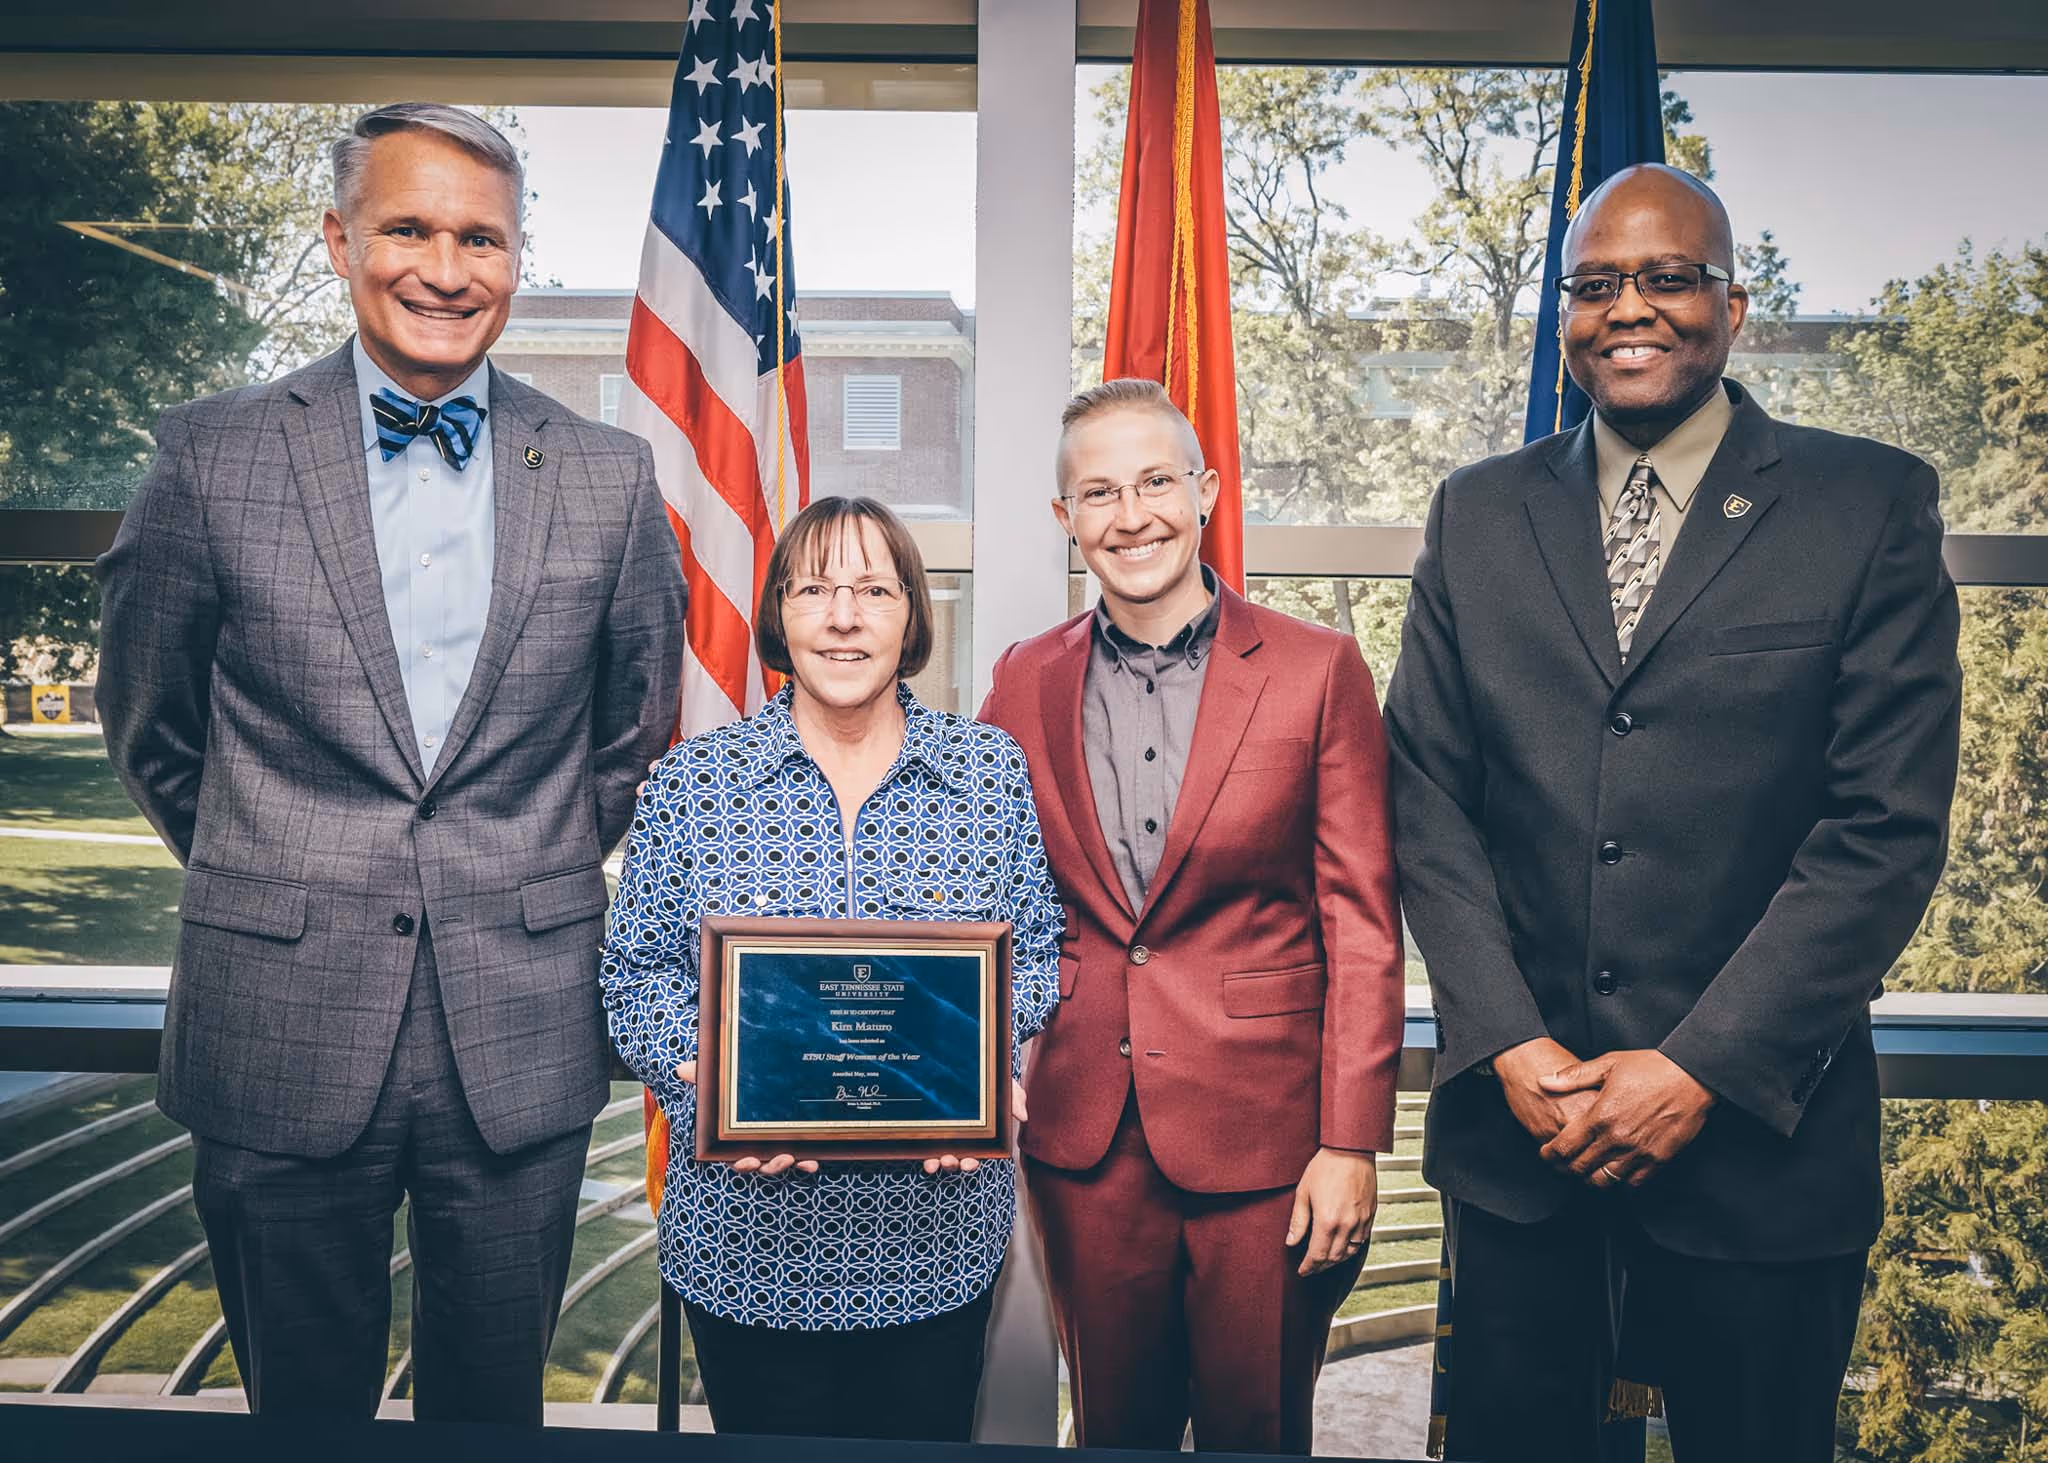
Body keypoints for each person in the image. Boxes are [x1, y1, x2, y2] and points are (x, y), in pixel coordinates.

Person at [95, 103, 686, 1422]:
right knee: (302, 1409)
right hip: (279, 1015)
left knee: (494, 1411)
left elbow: (629, 731)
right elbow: (150, 723)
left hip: (518, 1020)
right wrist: (281, 864)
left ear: (519, 257)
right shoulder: (210, 458)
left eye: (481, 236)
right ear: (338, 239)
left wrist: (515, 863)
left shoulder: (609, 476)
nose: (445, 266)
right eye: (408, 227)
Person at [1383, 164, 1962, 1462]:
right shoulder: (1477, 513)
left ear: (1734, 304)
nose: (1626, 307)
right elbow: (1424, 789)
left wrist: (1698, 1067)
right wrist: (1512, 1043)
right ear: (1566, 315)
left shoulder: (1867, 506)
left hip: (1760, 1156)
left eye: (1666, 276)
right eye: (1595, 284)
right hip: (1519, 1152)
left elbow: (1883, 829)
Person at [978, 379, 1406, 1454]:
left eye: (1156, 480)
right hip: (1083, 1138)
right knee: (1111, 1430)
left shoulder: (1317, 670)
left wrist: (1350, 1140)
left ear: (1206, 490)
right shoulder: (1020, 680)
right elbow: (985, 899)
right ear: (1063, 519)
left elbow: (1361, 920)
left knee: (1256, 1428)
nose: (1132, 516)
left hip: (1269, 1143)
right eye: (1099, 492)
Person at [601, 495, 1062, 1442]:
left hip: (934, 1246)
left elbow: (1038, 953)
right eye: (815, 588)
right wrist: (713, 1089)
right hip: (747, 1250)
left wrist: (986, 1069)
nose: (844, 616)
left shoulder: (989, 773)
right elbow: (634, 974)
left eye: (873, 589)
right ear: (778, 614)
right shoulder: (696, 782)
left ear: (910, 615)